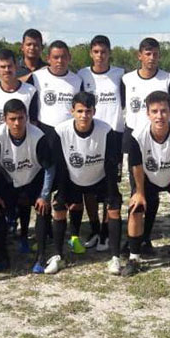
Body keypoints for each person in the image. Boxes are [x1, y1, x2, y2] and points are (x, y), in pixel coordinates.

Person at [46, 92, 123, 275]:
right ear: (72, 111)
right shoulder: (60, 131)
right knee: (58, 207)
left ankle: (115, 257)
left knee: (114, 207)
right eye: (80, 111)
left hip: (99, 177)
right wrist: (62, 194)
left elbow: (111, 164)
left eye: (88, 111)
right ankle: (58, 256)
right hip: (72, 178)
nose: (84, 116)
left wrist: (113, 194)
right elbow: (60, 164)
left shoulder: (106, 131)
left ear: (94, 111)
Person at [124, 91, 170, 280]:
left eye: (163, 111)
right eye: (154, 111)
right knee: (135, 208)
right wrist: (139, 192)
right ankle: (134, 258)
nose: (159, 116)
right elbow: (137, 167)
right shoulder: (137, 136)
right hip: (148, 177)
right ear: (147, 113)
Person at [0, 99, 54, 274]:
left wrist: (44, 195)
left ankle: (41, 256)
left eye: (21, 118)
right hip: (8, 179)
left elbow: (50, 167)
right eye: (12, 118)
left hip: (33, 178)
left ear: (26, 117)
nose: (17, 123)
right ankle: (2, 257)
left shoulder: (38, 135)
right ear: (5, 119)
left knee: (42, 208)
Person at [121, 37, 170, 255]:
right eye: (147, 53)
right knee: (138, 191)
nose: (151, 58)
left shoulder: (169, 79)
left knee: (154, 194)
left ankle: (146, 237)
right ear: (139, 55)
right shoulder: (126, 79)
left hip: (161, 141)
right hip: (135, 141)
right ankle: (134, 240)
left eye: (155, 54)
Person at [0, 49, 39, 247]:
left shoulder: (29, 91)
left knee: (23, 197)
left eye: (10, 66)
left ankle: (24, 235)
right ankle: (1, 236)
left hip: (24, 147)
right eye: (2, 67)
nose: (7, 70)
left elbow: (33, 120)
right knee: (0, 195)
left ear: (16, 67)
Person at [77, 35, 125, 251]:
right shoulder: (82, 75)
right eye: (96, 51)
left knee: (109, 185)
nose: (100, 56)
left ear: (109, 52)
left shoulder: (120, 75)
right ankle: (95, 228)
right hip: (89, 135)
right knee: (88, 185)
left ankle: (107, 230)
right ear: (90, 53)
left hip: (113, 136)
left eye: (103, 51)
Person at [29, 40, 83, 143]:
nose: (60, 61)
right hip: (44, 130)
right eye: (56, 57)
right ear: (48, 59)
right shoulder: (37, 77)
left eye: (63, 57)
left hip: (69, 131)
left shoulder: (77, 80)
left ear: (69, 58)